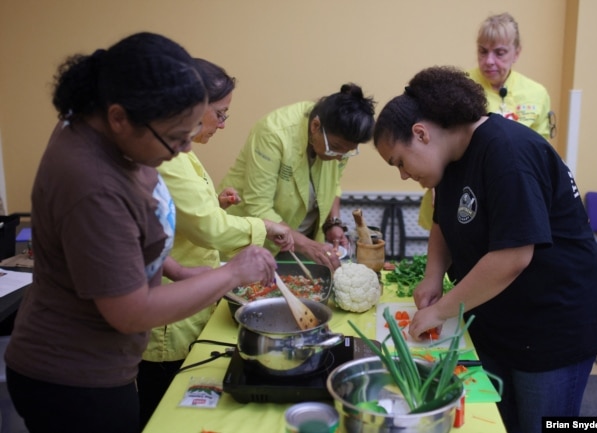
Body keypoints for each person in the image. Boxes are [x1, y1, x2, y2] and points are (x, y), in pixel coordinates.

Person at [4, 32, 277, 433]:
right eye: (175, 138)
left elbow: (120, 241)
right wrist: (231, 274)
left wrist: (178, 271)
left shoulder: (100, 129)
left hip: (88, 366)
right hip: (74, 379)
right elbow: (130, 312)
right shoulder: (92, 184)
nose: (184, 150)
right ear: (119, 117)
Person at [372, 66, 597, 433]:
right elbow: (443, 218)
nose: (403, 175)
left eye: (400, 163)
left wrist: (440, 310)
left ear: (420, 134)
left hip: (556, 323)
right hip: (502, 320)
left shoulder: (507, 152)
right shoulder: (450, 159)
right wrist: (433, 275)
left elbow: (513, 256)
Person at [137, 59, 293, 427]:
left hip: (190, 291)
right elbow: (208, 229)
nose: (222, 125)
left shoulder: (182, 154)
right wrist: (264, 227)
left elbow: (185, 215)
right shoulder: (170, 159)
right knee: (166, 414)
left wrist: (215, 204)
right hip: (168, 325)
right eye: (219, 115)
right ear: (191, 106)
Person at [217, 84, 376, 270]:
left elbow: (333, 183)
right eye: (336, 147)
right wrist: (308, 246)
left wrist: (333, 223)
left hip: (299, 240)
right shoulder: (273, 132)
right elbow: (258, 206)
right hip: (250, 240)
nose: (340, 157)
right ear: (316, 126)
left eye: (348, 152)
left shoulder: (340, 140)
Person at [419, 12, 553, 230]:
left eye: (500, 53)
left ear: (516, 53)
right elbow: (434, 142)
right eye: (482, 52)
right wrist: (436, 183)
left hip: (508, 196)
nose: (489, 61)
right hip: (458, 192)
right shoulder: (458, 86)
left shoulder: (537, 93)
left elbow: (540, 153)